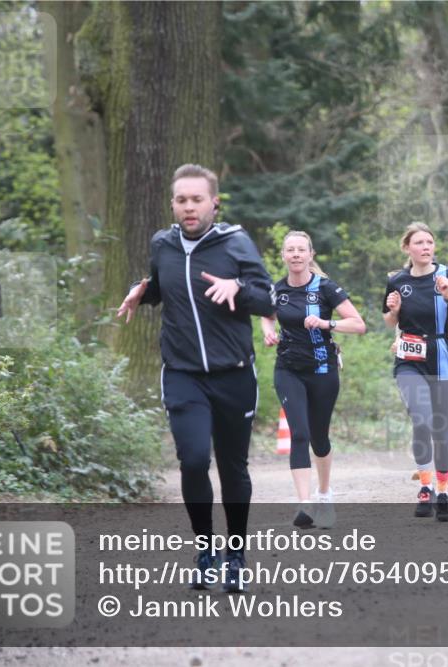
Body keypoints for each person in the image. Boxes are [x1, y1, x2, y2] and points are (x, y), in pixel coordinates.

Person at [116, 163, 274, 593]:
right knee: (193, 460)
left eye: (197, 199)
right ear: (173, 204)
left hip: (233, 374)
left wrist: (238, 288)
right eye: (182, 200)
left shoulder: (236, 243)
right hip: (183, 373)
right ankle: (205, 551)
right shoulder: (162, 244)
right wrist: (142, 291)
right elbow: (164, 284)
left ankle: (236, 555)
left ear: (213, 203)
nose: (189, 207)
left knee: (233, 467)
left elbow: (268, 298)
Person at [260, 231, 366, 529]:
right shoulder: (277, 289)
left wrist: (325, 323)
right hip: (288, 369)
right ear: (284, 255)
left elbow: (358, 324)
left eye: (301, 250)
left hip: (322, 370)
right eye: (290, 250)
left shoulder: (326, 288)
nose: (295, 255)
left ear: (310, 255)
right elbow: (266, 315)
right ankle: (305, 505)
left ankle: (324, 494)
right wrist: (268, 331)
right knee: (300, 434)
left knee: (319, 438)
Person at [382, 222, 448, 522]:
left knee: (441, 430)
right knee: (421, 419)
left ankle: (442, 492)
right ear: (407, 248)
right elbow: (390, 321)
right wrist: (394, 311)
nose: (425, 247)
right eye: (419, 243)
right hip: (409, 359)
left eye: (429, 242)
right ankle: (424, 487)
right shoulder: (397, 280)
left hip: (444, 357)